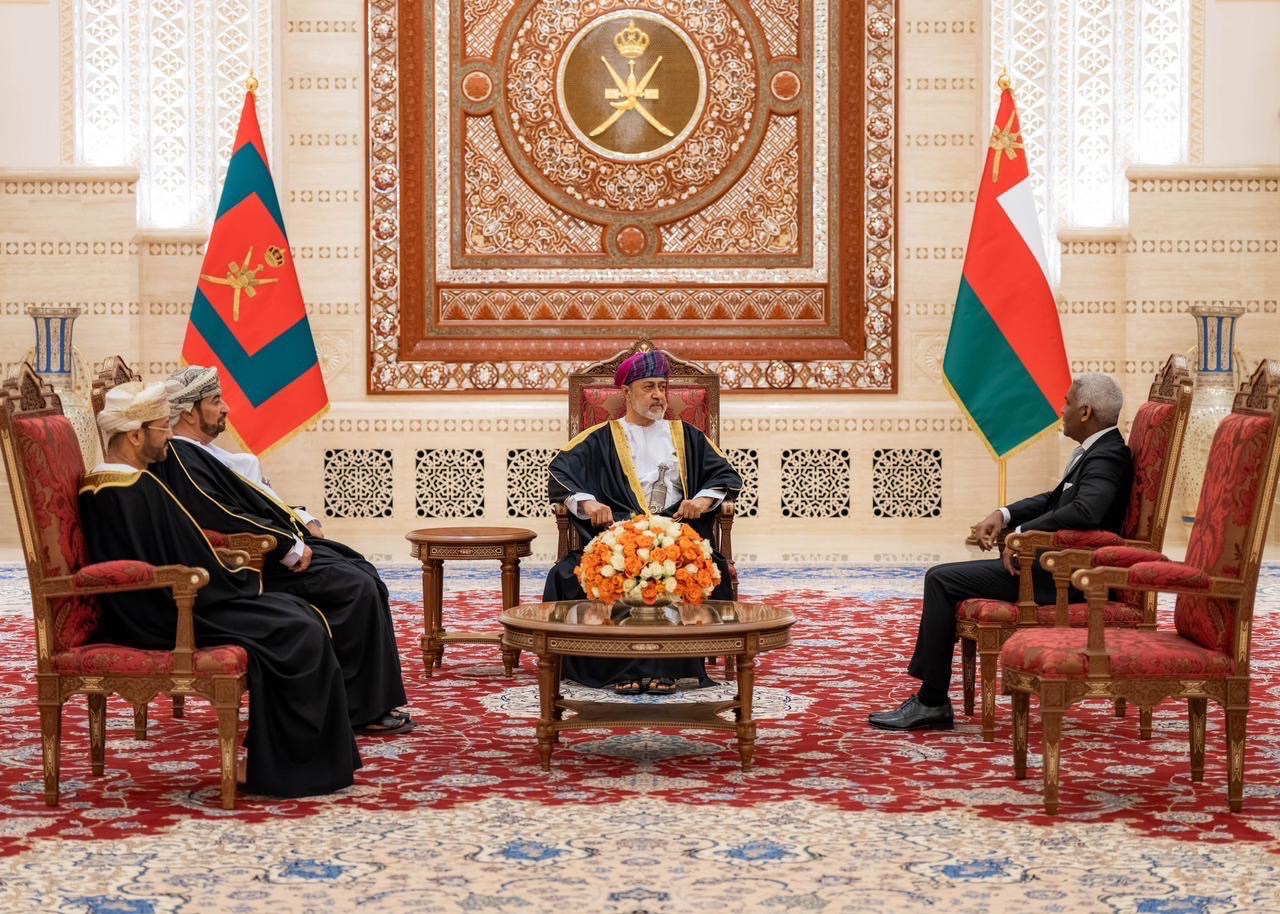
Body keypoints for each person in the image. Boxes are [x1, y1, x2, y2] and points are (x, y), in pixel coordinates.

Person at [79, 382, 361, 797]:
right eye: (162, 428)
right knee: (298, 631)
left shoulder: (120, 483)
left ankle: (291, 759)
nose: (170, 436)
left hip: (172, 601)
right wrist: (236, 579)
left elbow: (178, 550)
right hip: (165, 614)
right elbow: (166, 564)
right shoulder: (127, 490)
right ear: (136, 435)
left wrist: (230, 573)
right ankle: (289, 769)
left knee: (297, 616)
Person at [148, 366, 412, 736]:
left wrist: (299, 518)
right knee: (355, 586)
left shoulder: (200, 452)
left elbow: (251, 501)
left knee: (360, 570)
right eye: (215, 401)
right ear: (189, 412)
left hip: (271, 551)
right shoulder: (181, 455)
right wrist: (287, 544)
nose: (225, 408)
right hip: (252, 566)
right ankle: (358, 710)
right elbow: (219, 515)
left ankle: (363, 702)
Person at [868, 373, 1134, 731]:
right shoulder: (1100, 451)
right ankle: (931, 698)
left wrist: (1021, 536)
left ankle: (932, 702)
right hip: (1054, 564)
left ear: (1085, 412)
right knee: (945, 578)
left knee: (941, 580)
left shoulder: (1108, 456)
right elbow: (1054, 500)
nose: (1062, 410)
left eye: (1067, 402)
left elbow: (1086, 511)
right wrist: (1005, 514)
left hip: (1063, 577)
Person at [544, 350, 742, 694]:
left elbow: (724, 475)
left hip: (675, 536)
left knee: (700, 571)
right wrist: (589, 504)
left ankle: (669, 668)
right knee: (568, 575)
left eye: (662, 387)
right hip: (618, 537)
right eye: (649, 387)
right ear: (627, 392)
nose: (658, 395)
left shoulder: (686, 436)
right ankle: (616, 669)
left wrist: (701, 501)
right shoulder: (600, 438)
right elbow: (560, 474)